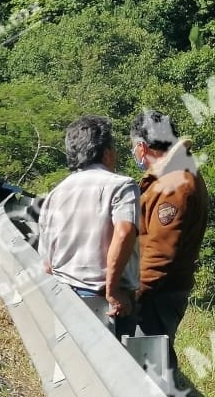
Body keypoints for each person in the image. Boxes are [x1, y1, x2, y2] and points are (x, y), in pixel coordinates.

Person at [38, 115, 139, 337]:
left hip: (66, 298)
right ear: (106, 152)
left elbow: (47, 264)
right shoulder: (121, 186)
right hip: (107, 303)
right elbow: (124, 233)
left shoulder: (55, 194)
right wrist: (113, 291)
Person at [130, 110, 210, 373]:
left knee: (152, 367)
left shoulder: (174, 184)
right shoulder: (178, 173)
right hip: (160, 290)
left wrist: (134, 294)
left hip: (157, 293)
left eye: (134, 148)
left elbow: (160, 253)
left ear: (142, 147)